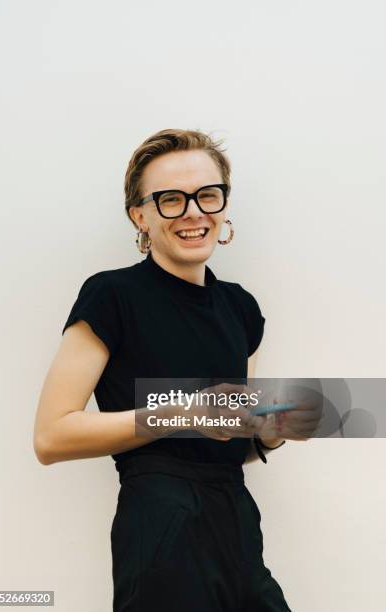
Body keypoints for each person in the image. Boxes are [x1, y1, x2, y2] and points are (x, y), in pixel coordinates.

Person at [34, 128, 296, 611]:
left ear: (223, 204)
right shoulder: (112, 296)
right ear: (141, 215)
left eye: (208, 195)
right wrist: (184, 412)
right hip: (161, 524)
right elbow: (50, 437)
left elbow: (227, 446)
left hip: (237, 523)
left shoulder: (241, 307)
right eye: (171, 199)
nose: (194, 212)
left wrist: (270, 429)